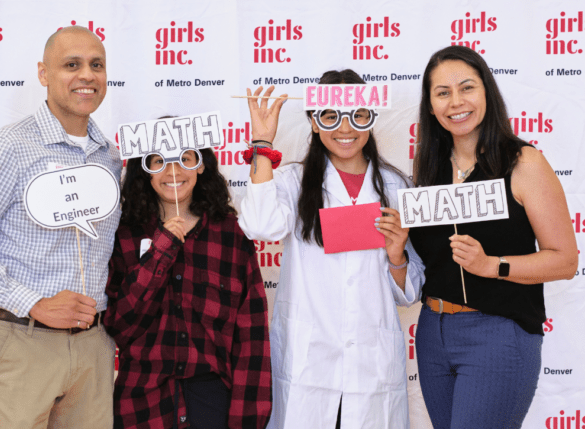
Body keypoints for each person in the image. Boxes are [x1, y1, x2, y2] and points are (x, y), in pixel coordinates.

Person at [0, 26, 121, 428]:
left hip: (95, 345)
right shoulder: (8, 147)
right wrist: (33, 303)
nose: (86, 75)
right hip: (25, 341)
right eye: (71, 65)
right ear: (43, 73)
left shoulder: (111, 158)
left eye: (97, 65)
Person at [238, 70, 424, 429]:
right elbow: (259, 226)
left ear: (371, 118)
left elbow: (410, 293)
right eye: (330, 116)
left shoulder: (396, 186)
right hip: (311, 361)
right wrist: (262, 144)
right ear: (313, 122)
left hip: (372, 367)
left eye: (357, 115)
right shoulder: (294, 181)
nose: (345, 128)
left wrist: (398, 253)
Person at [409, 45, 578, 429]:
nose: (456, 102)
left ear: (487, 91)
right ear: (431, 105)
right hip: (433, 334)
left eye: (466, 87)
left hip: (498, 333)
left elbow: (566, 260)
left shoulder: (523, 163)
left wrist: (492, 265)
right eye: (442, 92)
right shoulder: (427, 171)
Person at [103, 145, 272, 429]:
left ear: (201, 165)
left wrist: (248, 421)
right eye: (159, 161)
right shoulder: (124, 234)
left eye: (184, 159)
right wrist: (161, 249)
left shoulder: (230, 233)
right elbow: (121, 325)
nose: (173, 171)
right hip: (142, 402)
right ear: (145, 171)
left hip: (213, 403)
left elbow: (252, 337)